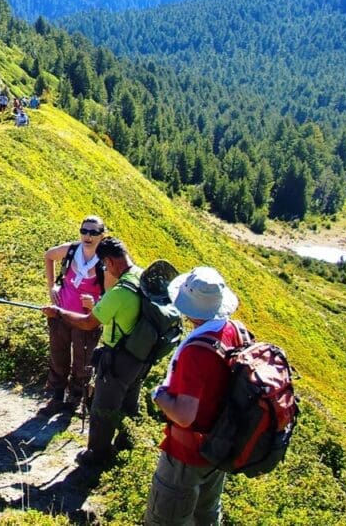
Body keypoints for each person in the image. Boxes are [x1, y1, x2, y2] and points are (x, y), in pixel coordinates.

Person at [144, 267, 242, 525]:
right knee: (206, 515)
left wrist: (159, 395)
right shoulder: (233, 331)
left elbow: (185, 416)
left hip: (188, 453)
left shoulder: (196, 352)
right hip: (219, 444)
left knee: (166, 516)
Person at [51, 236, 147, 467]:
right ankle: (126, 448)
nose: (105, 270)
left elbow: (87, 323)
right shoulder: (142, 277)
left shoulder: (120, 292)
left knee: (103, 406)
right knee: (129, 403)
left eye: (105, 265)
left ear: (110, 261)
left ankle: (96, 455)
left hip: (118, 356)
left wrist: (59, 312)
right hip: (141, 353)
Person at [39, 216, 106, 415]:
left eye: (94, 232)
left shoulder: (105, 260)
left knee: (82, 362)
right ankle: (56, 396)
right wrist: (51, 287)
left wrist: (96, 304)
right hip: (61, 314)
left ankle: (75, 398)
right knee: (58, 356)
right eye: (84, 231)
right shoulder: (71, 250)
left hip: (87, 321)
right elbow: (49, 255)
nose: (88, 236)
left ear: (102, 235)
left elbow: (113, 290)